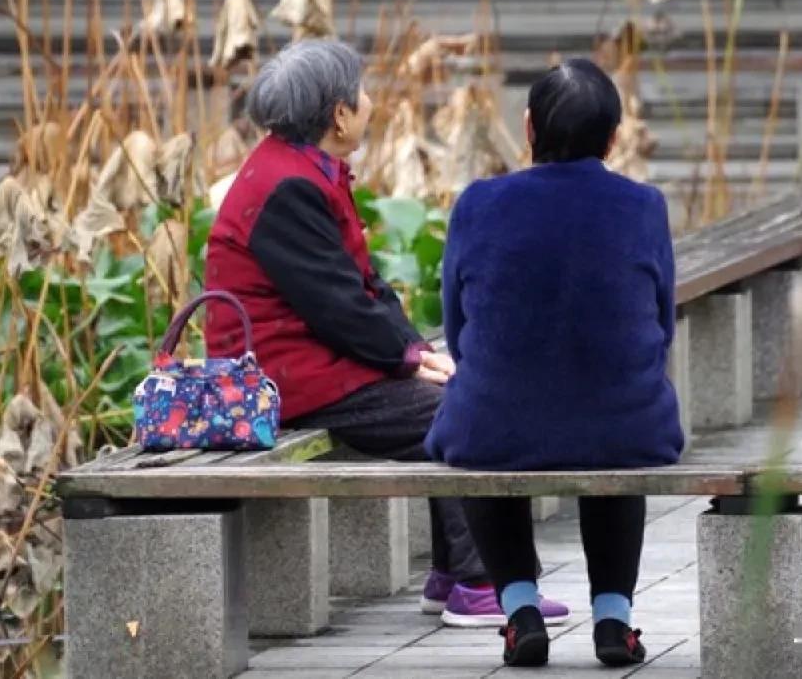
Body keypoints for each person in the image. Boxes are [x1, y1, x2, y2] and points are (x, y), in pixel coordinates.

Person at [203, 39, 568, 628]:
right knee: (465, 412)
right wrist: (404, 359)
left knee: (455, 390)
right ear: (338, 114)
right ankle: (481, 581)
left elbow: (360, 284)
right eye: (362, 93)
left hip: (306, 360)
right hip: (282, 376)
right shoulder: (287, 186)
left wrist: (414, 351)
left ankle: (455, 574)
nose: (370, 102)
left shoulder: (298, 169)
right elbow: (339, 305)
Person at [426, 58, 685, 667]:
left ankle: (519, 611)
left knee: (479, 431)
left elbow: (458, 332)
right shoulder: (644, 207)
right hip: (628, 425)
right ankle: (614, 623)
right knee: (612, 426)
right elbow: (662, 323)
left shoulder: (479, 203)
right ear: (615, 137)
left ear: (529, 128)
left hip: (498, 424)